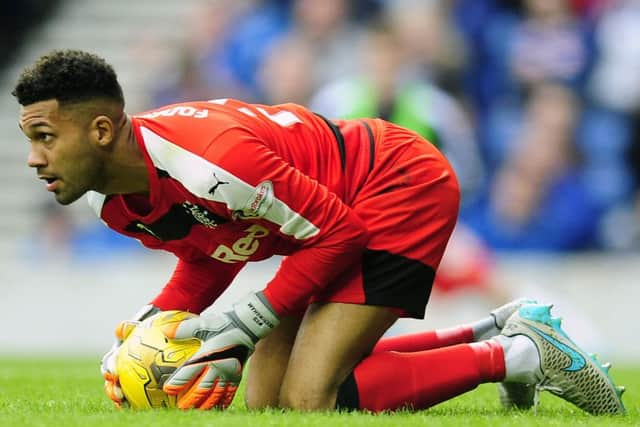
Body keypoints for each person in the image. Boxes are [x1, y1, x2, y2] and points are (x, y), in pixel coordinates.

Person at [13, 49, 625, 414]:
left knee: (313, 398)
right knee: (270, 399)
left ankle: (517, 354)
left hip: (394, 183)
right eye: (30, 141)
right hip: (324, 224)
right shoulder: (114, 200)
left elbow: (341, 231)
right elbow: (212, 249)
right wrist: (152, 323)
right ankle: (494, 327)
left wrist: (246, 322)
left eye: (45, 138)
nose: (35, 159)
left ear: (99, 131)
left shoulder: (207, 159)